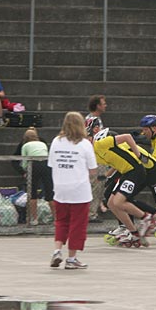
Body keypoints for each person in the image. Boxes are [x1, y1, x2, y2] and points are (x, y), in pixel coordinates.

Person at [48, 112, 98, 270]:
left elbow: (51, 164)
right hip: (79, 191)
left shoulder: (56, 141)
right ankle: (72, 258)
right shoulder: (84, 144)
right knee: (78, 225)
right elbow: (93, 169)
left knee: (61, 221)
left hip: (61, 188)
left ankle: (57, 250)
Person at [21, 128, 54, 226]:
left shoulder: (25, 145)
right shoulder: (42, 144)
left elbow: (24, 161)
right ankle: (56, 218)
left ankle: (34, 219)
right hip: (46, 164)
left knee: (32, 192)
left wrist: (25, 170)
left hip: (34, 164)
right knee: (49, 191)